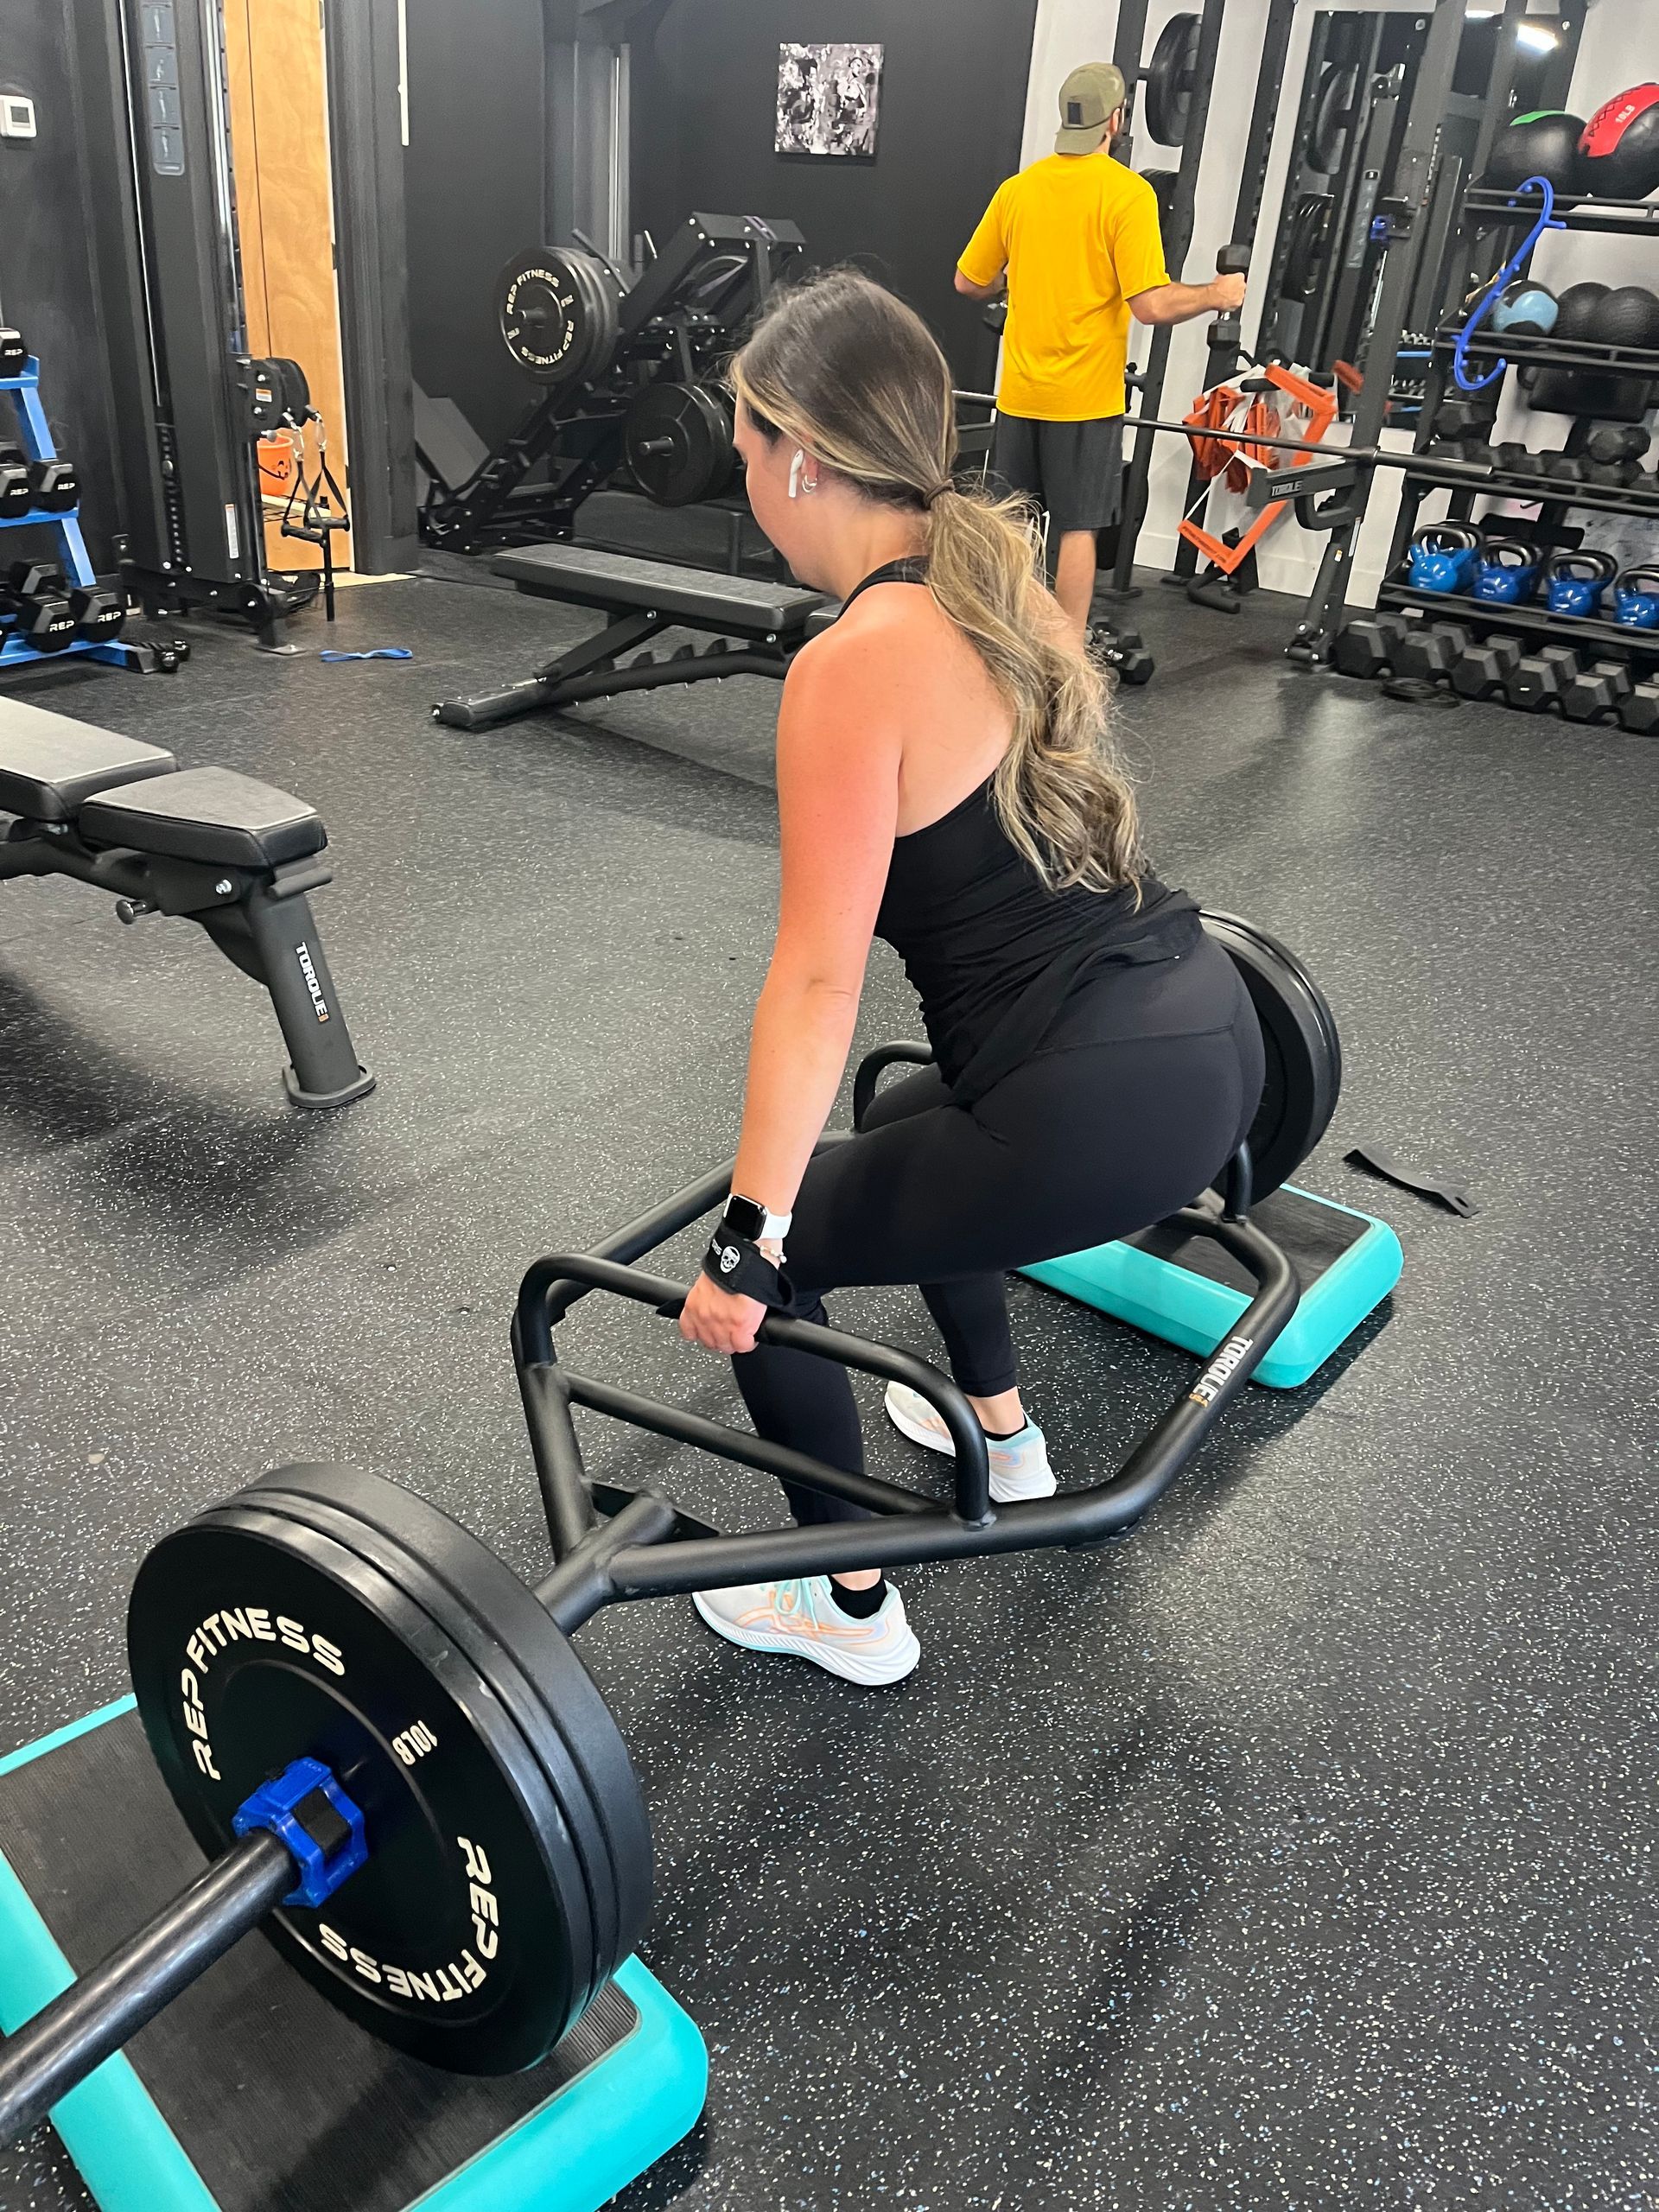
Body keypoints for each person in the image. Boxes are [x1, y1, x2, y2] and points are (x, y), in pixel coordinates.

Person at [678, 270, 1263, 1687]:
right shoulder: (1007, 596)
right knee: (905, 1119)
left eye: (744, 444)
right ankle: (1000, 1425)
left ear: (800, 454)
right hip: (1214, 1039)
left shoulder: (851, 663)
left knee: (788, 1254)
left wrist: (750, 1233)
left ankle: (847, 1600)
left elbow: (817, 984)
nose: (741, 472)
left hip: (1085, 1113)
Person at [954, 61, 1249, 639]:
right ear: (1114, 121)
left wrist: (1020, 277)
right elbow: (1153, 305)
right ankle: (1065, 657)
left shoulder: (1019, 189)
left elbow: (969, 281)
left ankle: (998, 642)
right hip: (1085, 400)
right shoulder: (1127, 194)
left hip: (1018, 393)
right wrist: (1218, 293)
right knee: (1077, 528)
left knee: (1012, 527)